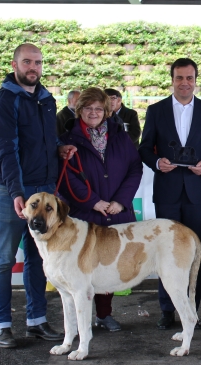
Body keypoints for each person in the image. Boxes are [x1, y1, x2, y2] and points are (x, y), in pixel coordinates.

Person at [0, 43, 76, 348]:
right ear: (14, 65)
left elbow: (44, 140)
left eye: (37, 62)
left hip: (43, 190)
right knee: (3, 258)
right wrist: (16, 192)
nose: (33, 67)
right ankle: (1, 324)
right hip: (11, 190)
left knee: (39, 259)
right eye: (27, 62)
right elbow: (5, 150)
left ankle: (36, 320)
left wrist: (59, 148)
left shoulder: (46, 100)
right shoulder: (3, 102)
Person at [138, 58, 201, 330]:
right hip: (167, 192)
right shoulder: (156, 110)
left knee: (193, 252)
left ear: (195, 80)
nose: (184, 83)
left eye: (189, 78)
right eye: (179, 78)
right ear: (172, 80)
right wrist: (156, 162)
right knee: (165, 253)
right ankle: (167, 310)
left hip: (196, 193)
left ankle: (191, 311)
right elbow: (144, 149)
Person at [57, 87, 143, 332]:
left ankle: (104, 315)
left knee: (108, 266)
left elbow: (134, 169)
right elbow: (66, 177)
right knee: (80, 269)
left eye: (98, 108)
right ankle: (78, 321)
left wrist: (121, 201)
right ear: (78, 110)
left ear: (106, 111)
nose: (93, 113)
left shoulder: (120, 136)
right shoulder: (67, 140)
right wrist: (92, 201)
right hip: (84, 214)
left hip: (117, 212)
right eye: (87, 108)